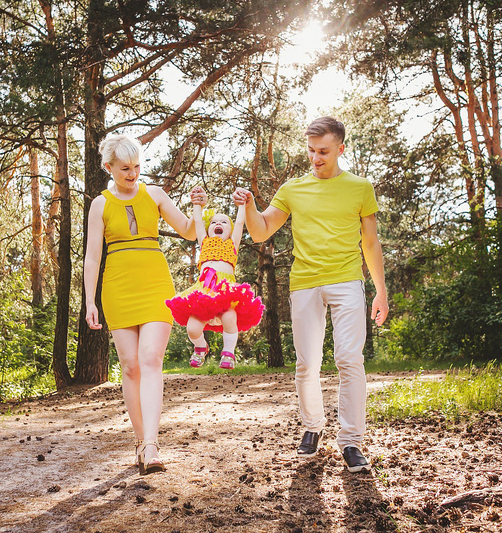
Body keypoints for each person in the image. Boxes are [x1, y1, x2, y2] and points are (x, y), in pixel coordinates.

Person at [232, 116, 389, 473]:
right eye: (311, 151)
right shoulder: (293, 189)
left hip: (347, 281)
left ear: (340, 149)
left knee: (349, 359)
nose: (316, 158)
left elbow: (370, 242)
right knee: (307, 363)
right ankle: (313, 427)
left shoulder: (360, 188)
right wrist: (250, 205)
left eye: (323, 152)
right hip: (304, 283)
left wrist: (380, 291)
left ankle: (351, 441)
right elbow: (261, 231)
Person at [84, 133, 207, 475]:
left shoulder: (155, 195)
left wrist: (197, 207)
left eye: (137, 166)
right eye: (125, 168)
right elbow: (92, 257)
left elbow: (189, 231)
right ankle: (140, 441)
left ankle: (152, 445)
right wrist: (90, 300)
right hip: (118, 287)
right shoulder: (100, 204)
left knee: (150, 358)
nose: (133, 173)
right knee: (130, 367)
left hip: (155, 283)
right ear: (109, 167)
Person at [165, 203, 264, 369]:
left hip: (226, 290)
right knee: (192, 328)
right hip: (205, 290)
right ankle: (200, 347)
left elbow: (240, 222)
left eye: (224, 222)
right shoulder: (204, 242)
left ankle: (228, 353)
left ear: (230, 231)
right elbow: (198, 221)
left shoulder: (232, 243)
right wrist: (197, 204)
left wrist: (242, 205)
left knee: (229, 318)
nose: (218, 223)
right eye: (214, 222)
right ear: (208, 229)